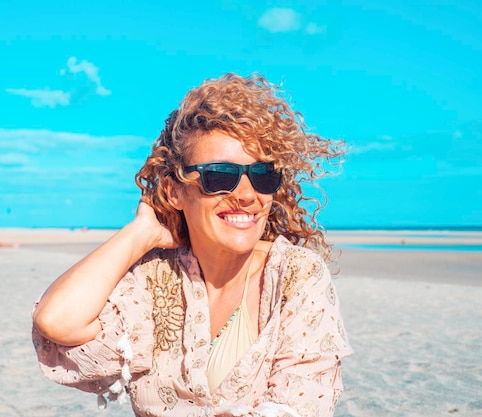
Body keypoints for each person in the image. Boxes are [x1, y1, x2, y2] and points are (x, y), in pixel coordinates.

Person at [31, 73, 352, 417]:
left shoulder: (295, 276)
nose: (246, 195)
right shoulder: (153, 279)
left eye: (262, 175)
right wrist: (141, 233)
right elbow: (57, 322)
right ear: (175, 191)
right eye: (219, 176)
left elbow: (299, 409)